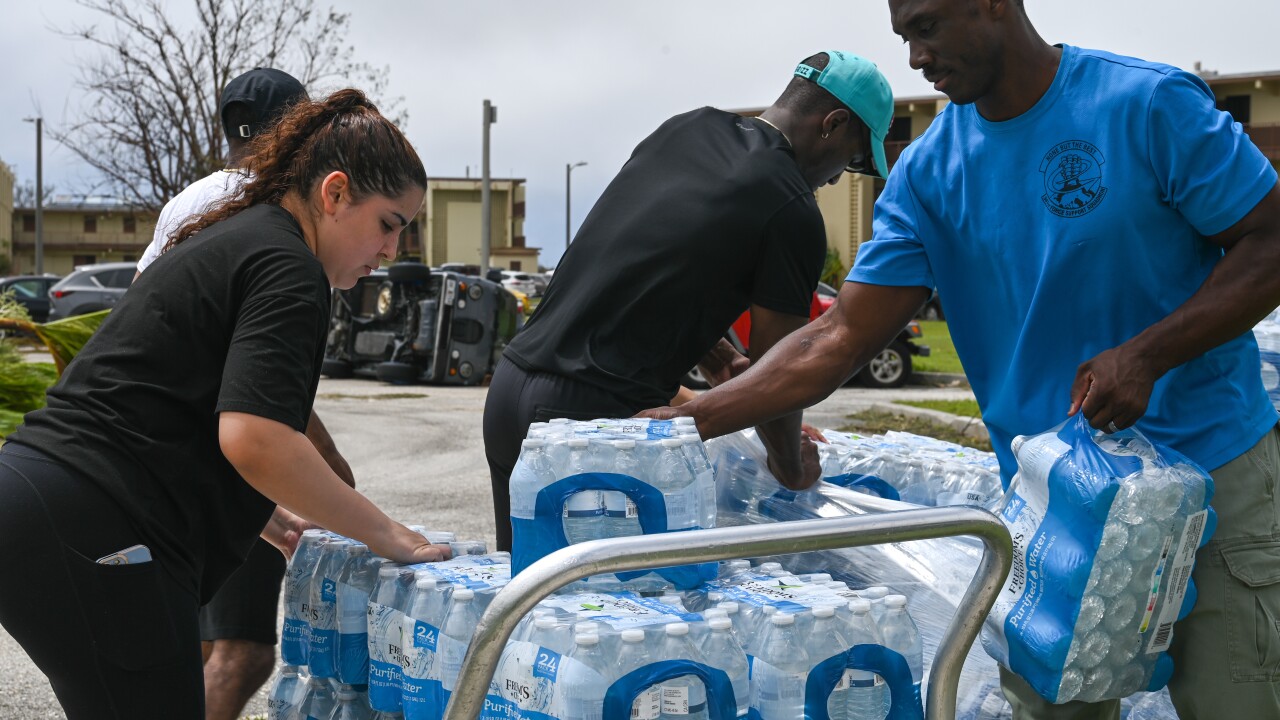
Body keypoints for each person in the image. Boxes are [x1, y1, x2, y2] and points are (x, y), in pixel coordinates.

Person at [642, 1, 1280, 718]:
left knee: (1238, 701)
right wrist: (690, 420)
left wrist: (1149, 354)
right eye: (905, 36)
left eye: (928, 26)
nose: (916, 58)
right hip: (1057, 508)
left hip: (1213, 474)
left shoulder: (1145, 104)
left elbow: (1269, 241)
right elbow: (840, 335)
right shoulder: (929, 173)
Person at [0, 88, 448, 719]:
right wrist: (387, 534)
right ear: (336, 193)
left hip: (47, 503)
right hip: (91, 520)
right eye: (389, 225)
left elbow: (174, 393)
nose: (390, 253)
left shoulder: (246, 236)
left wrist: (260, 513)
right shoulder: (291, 267)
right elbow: (255, 438)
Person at [482, 51, 894, 551]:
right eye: (851, 161)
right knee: (611, 613)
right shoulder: (791, 205)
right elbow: (779, 367)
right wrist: (789, 462)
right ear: (833, 123)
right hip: (596, 416)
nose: (835, 179)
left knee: (524, 599)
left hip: (510, 392)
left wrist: (718, 357)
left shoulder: (684, 129)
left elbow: (648, 255)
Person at [132, 67, 349, 720]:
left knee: (200, 646)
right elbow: (254, 384)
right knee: (243, 649)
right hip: (228, 451)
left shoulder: (189, 201)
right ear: (299, 129)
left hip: (171, 452)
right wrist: (335, 473)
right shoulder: (277, 209)